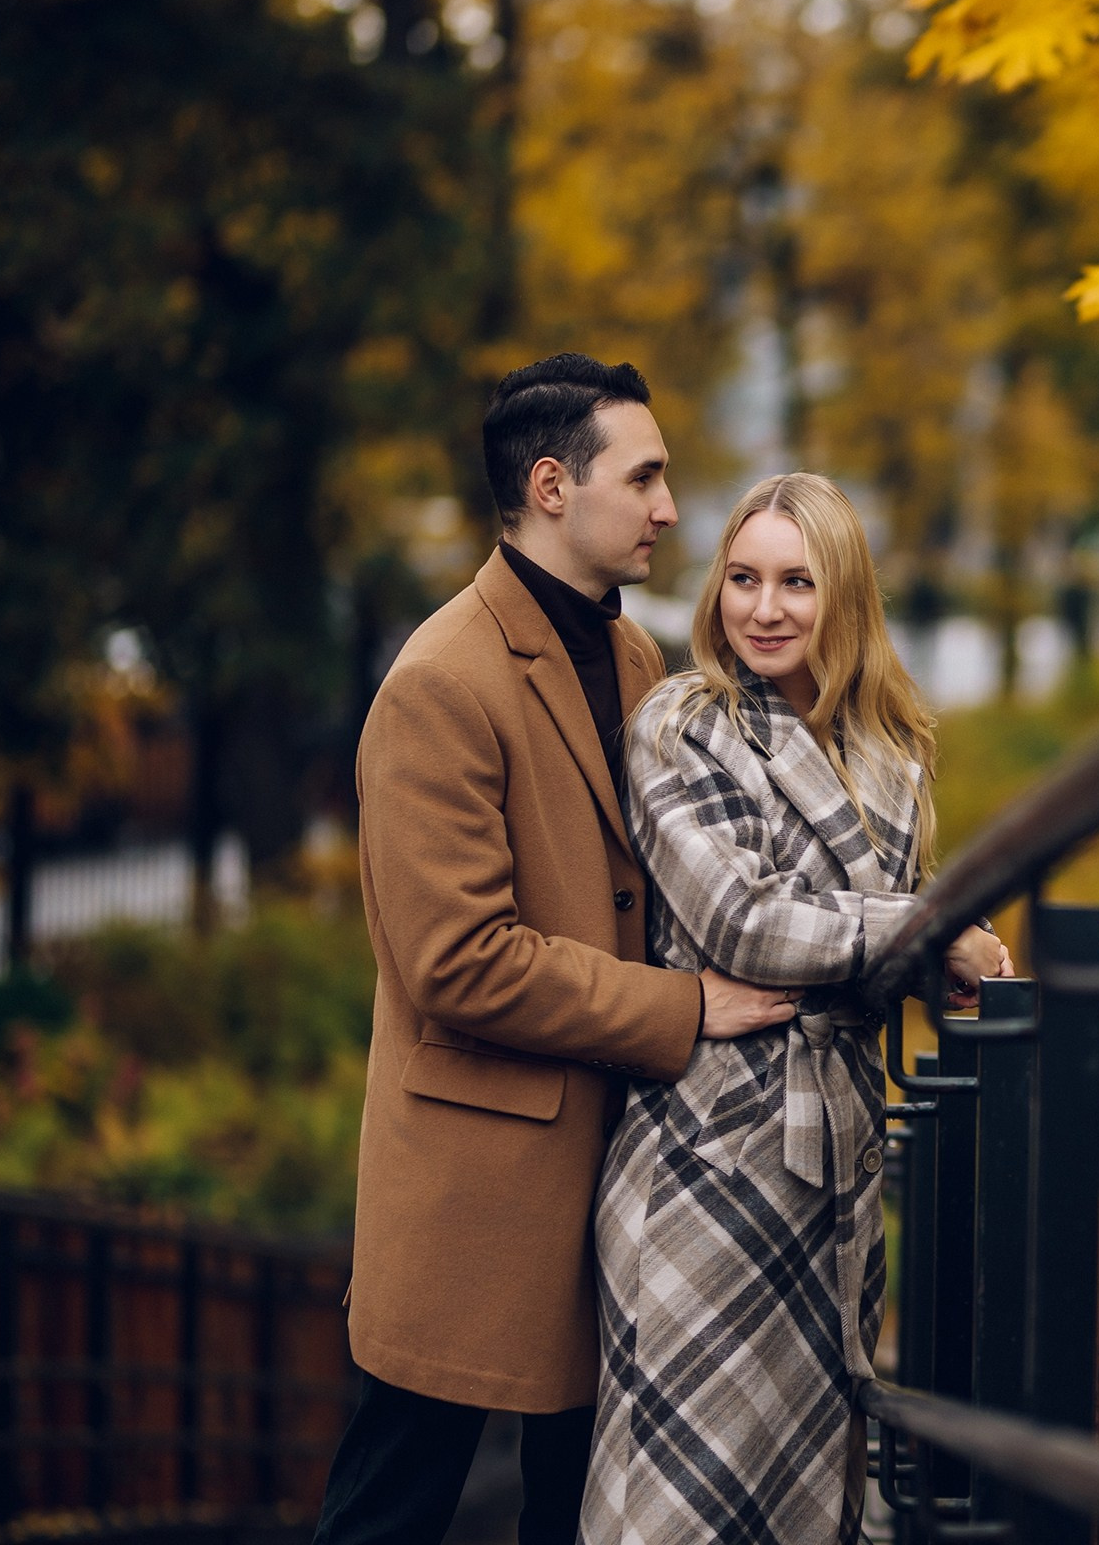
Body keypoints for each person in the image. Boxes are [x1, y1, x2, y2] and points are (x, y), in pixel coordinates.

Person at [315, 356, 800, 1545]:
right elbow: (459, 962)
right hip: (476, 1191)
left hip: (622, 1175)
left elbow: (719, 854)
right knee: (393, 1506)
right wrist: (683, 1007)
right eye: (644, 478)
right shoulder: (438, 682)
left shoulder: (634, 661)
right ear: (550, 486)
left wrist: (922, 936)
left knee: (579, 1512)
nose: (668, 509)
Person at [586, 472, 1011, 1545]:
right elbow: (743, 922)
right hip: (710, 1156)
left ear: (845, 595)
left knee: (807, 1498)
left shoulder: (894, 748)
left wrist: (943, 962)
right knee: (676, 1506)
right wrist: (929, 929)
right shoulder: (684, 723)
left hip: (838, 1160)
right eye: (743, 579)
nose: (764, 609)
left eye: (797, 582)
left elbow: (856, 951)